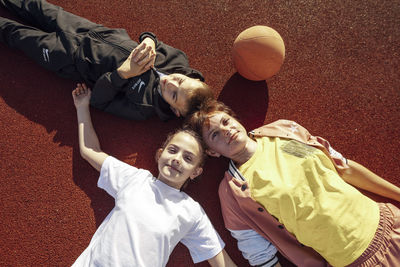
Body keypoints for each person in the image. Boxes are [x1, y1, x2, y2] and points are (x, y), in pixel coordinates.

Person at [186, 99, 400, 267]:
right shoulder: (233, 193)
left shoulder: (284, 132)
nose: (226, 130)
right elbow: (258, 254)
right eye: (215, 134)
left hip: (390, 222)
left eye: (226, 121)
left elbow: (345, 168)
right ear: (212, 152)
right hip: (354, 259)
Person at [71, 83, 236, 267]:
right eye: (173, 150)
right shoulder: (135, 179)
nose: (177, 159)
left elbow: (221, 261)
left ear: (195, 172)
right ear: (160, 155)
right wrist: (82, 107)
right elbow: (90, 151)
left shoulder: (190, 212)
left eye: (188, 158)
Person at [0, 0, 214, 121]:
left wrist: (122, 74)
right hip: (89, 30)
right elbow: (151, 37)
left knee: (17, 35)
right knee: (36, 7)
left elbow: (100, 101)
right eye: (182, 81)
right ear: (190, 77)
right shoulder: (178, 61)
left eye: (174, 95)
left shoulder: (143, 107)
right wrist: (148, 40)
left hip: (69, 58)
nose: (172, 82)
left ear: (175, 110)